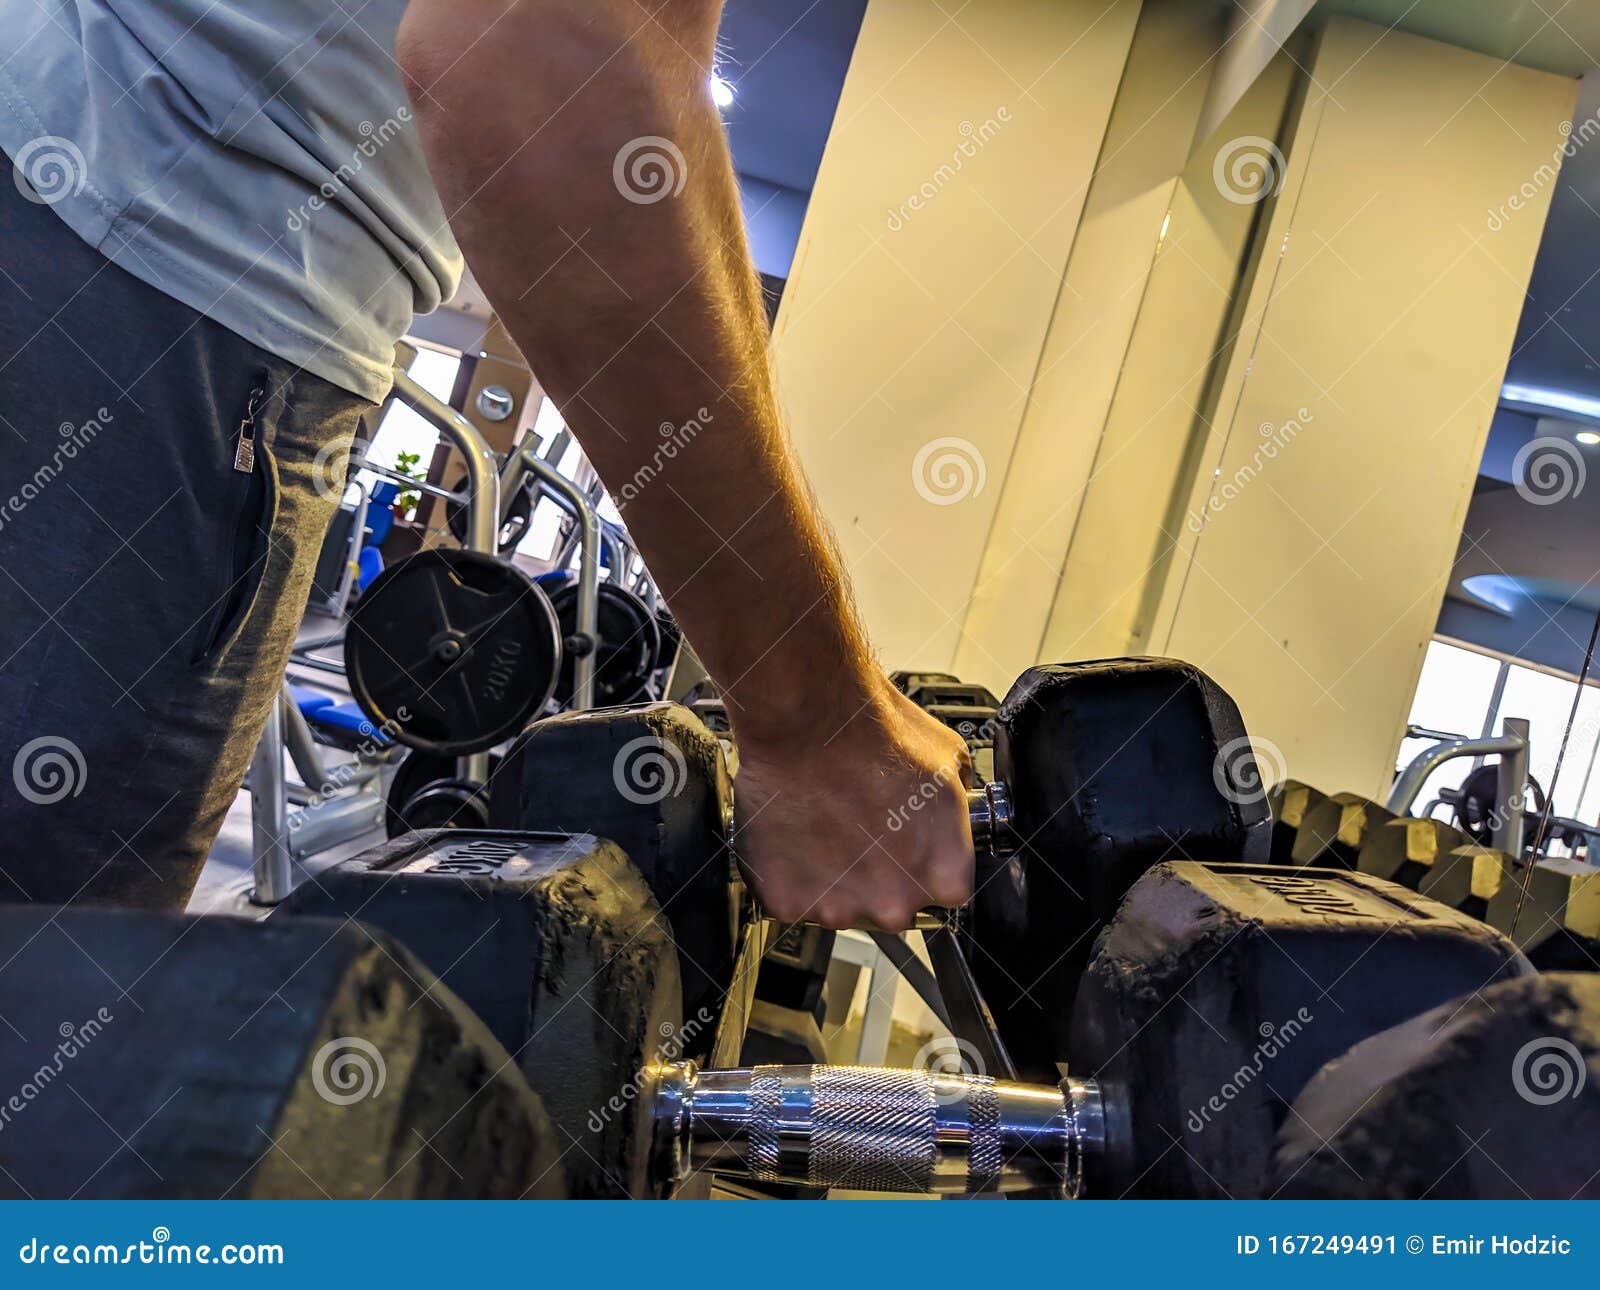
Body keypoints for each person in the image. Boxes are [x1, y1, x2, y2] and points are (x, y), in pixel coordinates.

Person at [0, 0, 972, 931]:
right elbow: (541, 57)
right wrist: (814, 719)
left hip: (92, 214)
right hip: (166, 285)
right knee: (45, 991)